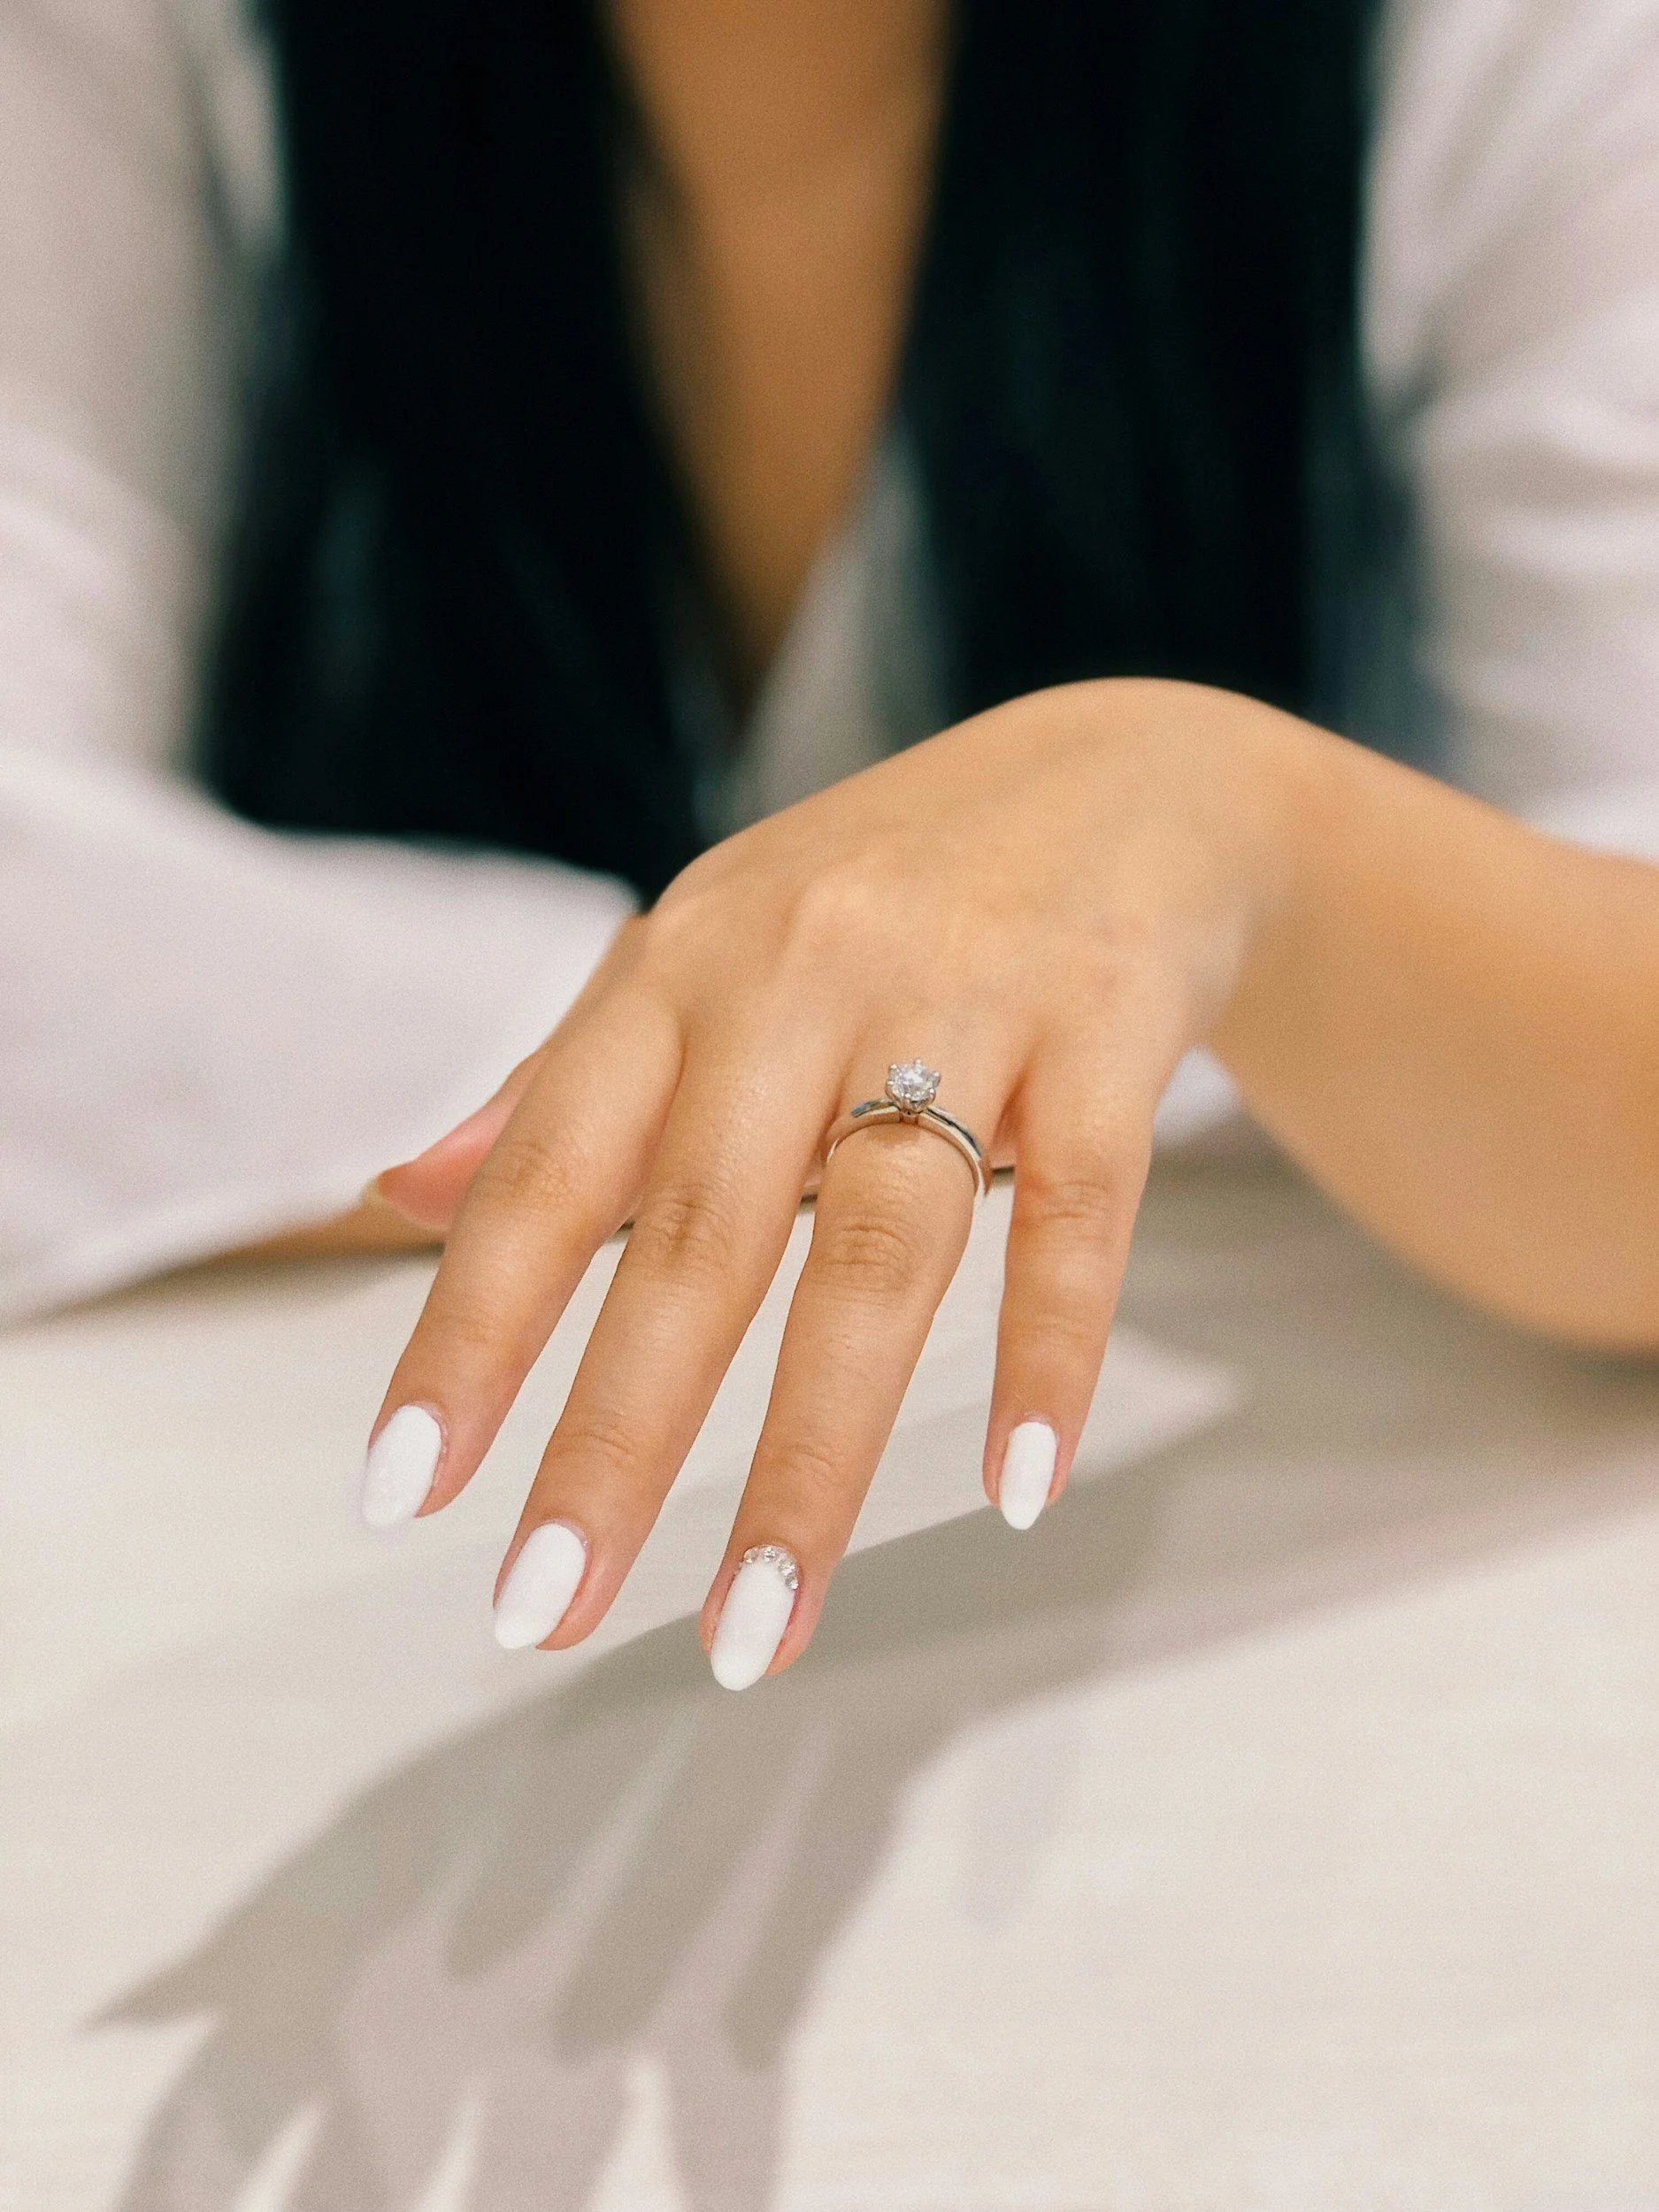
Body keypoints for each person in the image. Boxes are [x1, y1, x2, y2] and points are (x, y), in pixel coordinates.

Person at [4, 0, 1657, 1682]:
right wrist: (785, 1022)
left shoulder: (1514, 49)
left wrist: (1228, 826)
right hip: (281, 1634)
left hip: (1312, 1652)